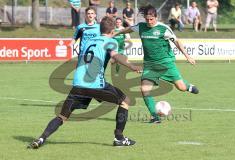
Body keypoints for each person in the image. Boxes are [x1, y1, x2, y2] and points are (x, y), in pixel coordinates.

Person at [27, 16, 142, 149]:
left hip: (78, 84)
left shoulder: (89, 41)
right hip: (95, 84)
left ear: (100, 29)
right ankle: (119, 138)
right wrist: (133, 66)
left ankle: (41, 138)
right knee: (125, 101)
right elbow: (115, 56)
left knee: (62, 116)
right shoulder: (111, 41)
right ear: (112, 31)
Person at [114, 5, 199, 123]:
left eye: (151, 19)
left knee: (181, 87)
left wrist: (187, 56)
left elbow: (177, 41)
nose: (149, 22)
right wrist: (114, 34)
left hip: (165, 63)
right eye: (147, 19)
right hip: (150, 65)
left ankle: (187, 86)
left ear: (156, 17)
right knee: (144, 89)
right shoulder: (141, 27)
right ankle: (155, 116)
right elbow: (128, 29)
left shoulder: (163, 28)